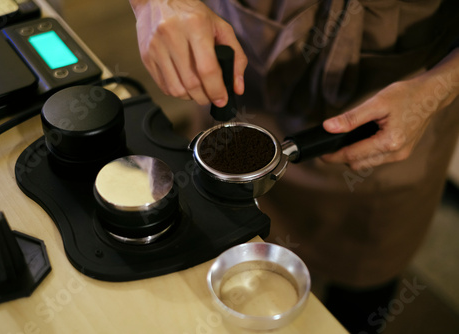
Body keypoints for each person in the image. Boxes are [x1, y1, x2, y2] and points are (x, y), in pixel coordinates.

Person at [128, 0, 459, 332]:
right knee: (214, 250)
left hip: (394, 105)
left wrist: (440, 87)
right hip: (245, 66)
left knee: (362, 280)